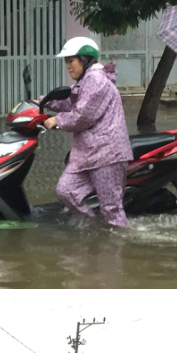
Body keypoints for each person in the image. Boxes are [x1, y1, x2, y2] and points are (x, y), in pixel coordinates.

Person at [41, 37, 133, 228]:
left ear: (85, 59)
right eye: (66, 61)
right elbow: (71, 104)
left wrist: (56, 120)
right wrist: (44, 102)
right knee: (66, 190)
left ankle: (120, 245)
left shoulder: (96, 80)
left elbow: (82, 115)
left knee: (111, 209)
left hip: (107, 153)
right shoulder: (86, 80)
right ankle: (94, 226)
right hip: (88, 154)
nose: (68, 66)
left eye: (71, 61)